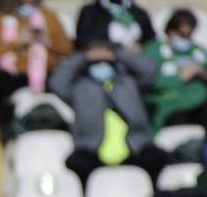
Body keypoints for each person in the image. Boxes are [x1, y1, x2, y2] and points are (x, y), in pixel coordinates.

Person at [49, 41, 166, 187]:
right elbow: (57, 81)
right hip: (92, 151)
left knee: (158, 158)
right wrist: (85, 56)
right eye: (97, 61)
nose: (101, 63)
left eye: (105, 61)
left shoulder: (128, 82)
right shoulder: (80, 87)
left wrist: (117, 53)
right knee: (75, 163)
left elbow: (150, 69)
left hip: (134, 149)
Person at [0, 0, 73, 141]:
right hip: (13, 74)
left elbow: (67, 49)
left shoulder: (48, 17)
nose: (28, 5)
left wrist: (47, 41)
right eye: (23, 0)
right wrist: (17, 43)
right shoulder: (0, 19)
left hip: (46, 72)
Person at [144, 9, 207, 132]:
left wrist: (202, 73)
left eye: (188, 35)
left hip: (200, 106)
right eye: (180, 34)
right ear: (169, 30)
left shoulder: (197, 50)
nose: (184, 39)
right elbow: (148, 80)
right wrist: (180, 77)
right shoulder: (154, 50)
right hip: (169, 107)